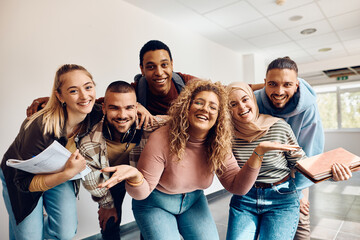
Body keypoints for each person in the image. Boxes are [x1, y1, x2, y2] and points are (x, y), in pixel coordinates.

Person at [98, 79, 301, 240]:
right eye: (199, 102)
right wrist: (134, 177)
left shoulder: (219, 143)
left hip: (193, 202)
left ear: (220, 115)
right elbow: (141, 193)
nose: (205, 109)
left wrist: (258, 154)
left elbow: (237, 187)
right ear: (187, 107)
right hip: (154, 203)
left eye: (213, 106)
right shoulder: (162, 137)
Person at [226, 82, 352, 240]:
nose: (242, 107)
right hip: (244, 199)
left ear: (253, 99)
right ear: (227, 110)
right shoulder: (226, 136)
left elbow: (301, 163)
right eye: (233, 104)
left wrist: (332, 175)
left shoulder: (278, 127)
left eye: (245, 99)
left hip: (281, 198)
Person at [254, 57, 352, 240]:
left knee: (300, 220)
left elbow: (309, 156)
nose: (279, 91)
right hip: (259, 179)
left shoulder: (308, 108)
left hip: (295, 174)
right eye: (272, 84)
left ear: (297, 85)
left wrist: (297, 194)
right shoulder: (254, 101)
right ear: (265, 83)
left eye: (287, 84)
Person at [1, 64, 103, 240]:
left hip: (59, 170)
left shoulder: (96, 113)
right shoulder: (40, 127)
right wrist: (68, 173)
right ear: (60, 96)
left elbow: (120, 103)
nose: (85, 96)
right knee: (28, 237)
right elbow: (23, 183)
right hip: (22, 177)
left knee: (65, 232)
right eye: (73, 91)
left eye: (88, 87)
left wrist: (139, 107)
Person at [79, 81, 166, 239]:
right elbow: (93, 182)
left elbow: (181, 121)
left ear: (136, 107)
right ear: (104, 108)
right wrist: (107, 205)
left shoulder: (149, 125)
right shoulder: (88, 144)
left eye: (128, 107)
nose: (122, 115)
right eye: (114, 108)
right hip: (109, 182)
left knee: (150, 226)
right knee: (109, 222)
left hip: (142, 179)